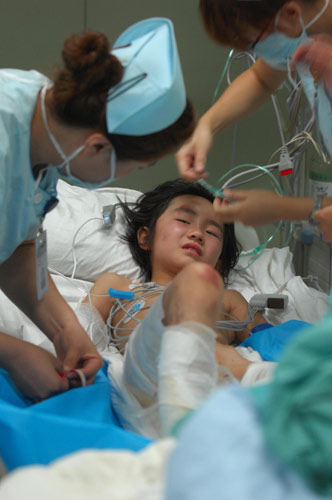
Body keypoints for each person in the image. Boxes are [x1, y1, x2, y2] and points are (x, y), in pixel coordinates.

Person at [0, 18, 195, 402]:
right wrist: (13, 353)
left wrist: (64, 330)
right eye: (135, 168)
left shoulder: (48, 129)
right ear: (96, 147)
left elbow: (18, 247)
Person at [81, 179, 271, 436]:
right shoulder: (118, 286)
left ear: (218, 263)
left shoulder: (230, 299)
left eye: (213, 232)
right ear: (145, 238)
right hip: (148, 375)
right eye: (184, 220)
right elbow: (80, 334)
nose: (197, 233)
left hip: (222, 379)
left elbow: (271, 339)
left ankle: (259, 385)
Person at [176, 0, 332, 180]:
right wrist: (206, 126)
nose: (256, 53)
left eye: (253, 43)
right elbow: (261, 79)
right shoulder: (303, 34)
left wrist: (288, 208)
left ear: (290, 13)